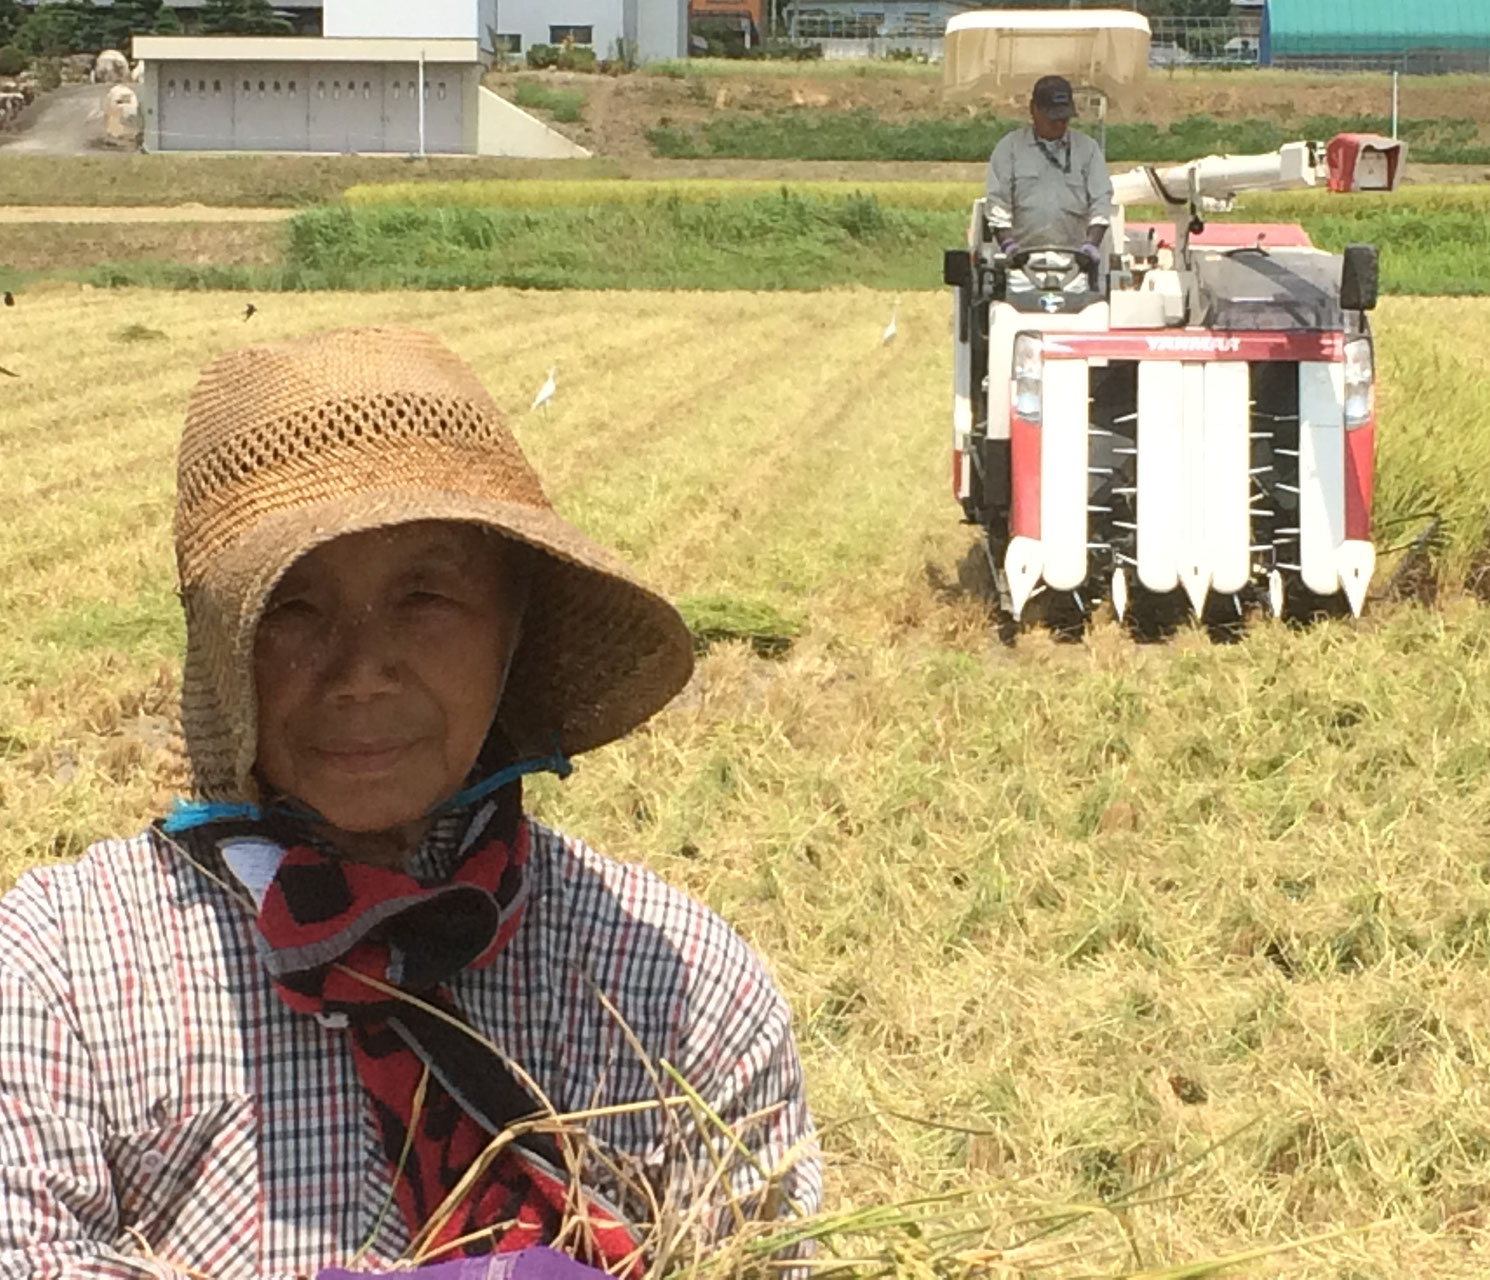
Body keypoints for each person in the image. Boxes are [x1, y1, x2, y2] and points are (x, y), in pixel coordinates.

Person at [0, 328, 820, 1278]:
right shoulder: (61, 978)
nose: (361, 673)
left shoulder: (673, 990)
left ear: (514, 629)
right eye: (292, 608)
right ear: (224, 653)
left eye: (425, 597)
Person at [984, 75, 1115, 279]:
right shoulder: (1009, 148)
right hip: (1020, 267)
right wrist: (1009, 246)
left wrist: (1091, 245)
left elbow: (1101, 201)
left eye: (1064, 118)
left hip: (1075, 266)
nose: (1059, 124)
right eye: (1052, 117)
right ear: (1033, 110)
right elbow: (998, 203)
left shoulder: (1088, 150)